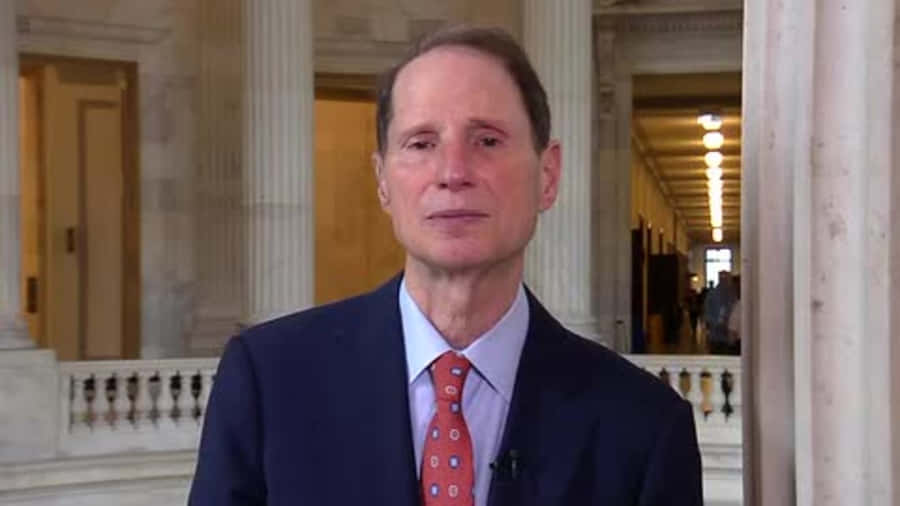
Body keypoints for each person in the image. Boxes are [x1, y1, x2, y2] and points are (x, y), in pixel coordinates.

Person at [188, 26, 702, 506]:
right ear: (383, 181)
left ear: (548, 175)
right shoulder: (269, 383)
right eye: (421, 143)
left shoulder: (644, 428)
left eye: (487, 140)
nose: (453, 173)